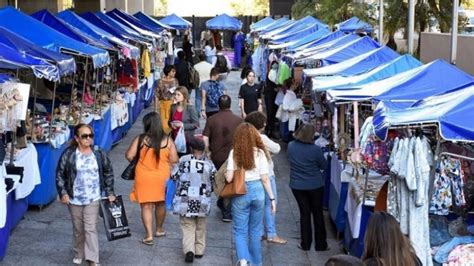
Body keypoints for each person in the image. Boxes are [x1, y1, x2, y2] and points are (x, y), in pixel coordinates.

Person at [56, 123, 115, 266]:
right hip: (74, 198)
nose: (88, 139)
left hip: (93, 197)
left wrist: (110, 191)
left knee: (90, 228)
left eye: (91, 135)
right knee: (78, 229)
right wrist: (63, 192)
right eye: (84, 136)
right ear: (77, 138)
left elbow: (108, 172)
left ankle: (92, 259)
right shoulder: (69, 153)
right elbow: (60, 174)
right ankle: (79, 252)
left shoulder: (99, 152)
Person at [225, 123, 276, 266]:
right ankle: (256, 262)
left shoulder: (234, 152)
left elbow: (229, 178)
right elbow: (265, 178)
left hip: (241, 191)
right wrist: (272, 198)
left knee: (240, 230)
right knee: (255, 230)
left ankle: (243, 261)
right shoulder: (260, 153)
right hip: (258, 191)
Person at [126, 112, 179, 246]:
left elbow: (129, 155)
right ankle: (159, 229)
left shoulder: (141, 139)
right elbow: (174, 160)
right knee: (160, 204)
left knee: (146, 205)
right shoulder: (168, 141)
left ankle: (149, 235)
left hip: (143, 176)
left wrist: (140, 161)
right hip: (162, 176)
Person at [171, 137, 217, 263]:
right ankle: (199, 250)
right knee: (201, 226)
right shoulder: (209, 164)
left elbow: (173, 175)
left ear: (191, 148)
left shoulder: (183, 160)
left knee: (187, 226)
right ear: (203, 149)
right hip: (202, 200)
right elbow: (214, 181)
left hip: (185, 199)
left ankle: (189, 250)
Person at [244, 111, 287, 245]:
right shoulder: (261, 138)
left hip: (251, 176)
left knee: (258, 206)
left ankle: (260, 232)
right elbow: (277, 148)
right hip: (265, 174)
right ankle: (271, 233)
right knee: (270, 204)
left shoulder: (244, 136)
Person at [287, 123, 328, 251]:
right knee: (317, 214)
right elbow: (324, 166)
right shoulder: (315, 150)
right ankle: (321, 244)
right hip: (315, 185)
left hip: (297, 185)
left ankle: (305, 243)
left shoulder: (291, 146)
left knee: (304, 214)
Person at [202, 95, 242, 221]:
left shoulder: (212, 119)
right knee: (229, 181)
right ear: (230, 104)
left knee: (220, 179)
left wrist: (208, 151)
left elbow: (205, 138)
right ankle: (226, 209)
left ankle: (223, 204)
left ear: (218, 105)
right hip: (233, 156)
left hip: (217, 156)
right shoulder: (238, 120)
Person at [169, 86, 199, 153]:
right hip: (174, 138)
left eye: (178, 95)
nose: (176, 96)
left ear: (184, 96)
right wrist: (171, 124)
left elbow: (196, 124)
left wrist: (182, 125)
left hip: (186, 139)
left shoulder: (190, 108)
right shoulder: (173, 107)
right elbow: (169, 121)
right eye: (175, 94)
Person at [155, 65, 179, 134]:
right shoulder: (160, 81)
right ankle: (165, 136)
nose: (174, 73)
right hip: (163, 104)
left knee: (173, 120)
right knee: (163, 121)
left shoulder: (175, 81)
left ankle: (171, 136)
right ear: (168, 72)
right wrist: (156, 108)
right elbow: (157, 94)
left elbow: (178, 92)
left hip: (173, 104)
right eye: (173, 71)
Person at [264, 61, 279, 138]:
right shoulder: (271, 73)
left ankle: (270, 129)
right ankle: (268, 129)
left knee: (273, 113)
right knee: (270, 113)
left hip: (273, 97)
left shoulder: (274, 73)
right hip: (270, 96)